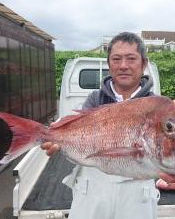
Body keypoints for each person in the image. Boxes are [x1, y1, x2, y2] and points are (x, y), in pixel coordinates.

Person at [41, 32, 160, 219]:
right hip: (92, 191)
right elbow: (75, 131)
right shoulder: (95, 99)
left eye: (131, 59)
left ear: (143, 63)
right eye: (116, 59)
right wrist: (56, 139)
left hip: (138, 196)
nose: (123, 66)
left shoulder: (156, 105)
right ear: (109, 64)